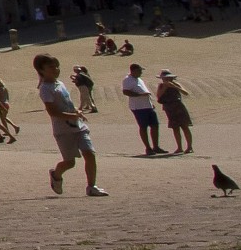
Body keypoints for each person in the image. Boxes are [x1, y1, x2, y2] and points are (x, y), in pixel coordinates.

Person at [33, 52, 106, 196]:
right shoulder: (45, 89)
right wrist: (74, 115)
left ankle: (92, 186)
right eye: (51, 67)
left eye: (57, 66)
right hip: (63, 130)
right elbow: (53, 112)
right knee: (70, 162)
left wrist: (77, 111)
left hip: (78, 126)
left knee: (89, 153)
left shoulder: (60, 84)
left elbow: (68, 103)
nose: (56, 69)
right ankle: (56, 174)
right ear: (42, 70)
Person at [119, 62, 163, 155]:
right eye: (139, 71)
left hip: (147, 105)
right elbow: (126, 92)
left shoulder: (139, 79)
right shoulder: (127, 80)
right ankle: (148, 148)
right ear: (134, 71)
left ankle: (156, 146)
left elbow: (144, 91)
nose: (141, 73)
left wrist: (150, 102)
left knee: (155, 125)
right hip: (138, 107)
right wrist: (139, 95)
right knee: (143, 127)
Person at [155, 68, 193, 155]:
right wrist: (165, 87)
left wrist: (174, 86)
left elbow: (185, 93)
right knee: (175, 128)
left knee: (185, 126)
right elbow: (158, 97)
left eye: (168, 78)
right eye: (164, 78)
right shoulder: (161, 86)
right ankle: (179, 147)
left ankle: (189, 147)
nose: (166, 79)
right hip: (169, 108)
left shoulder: (176, 84)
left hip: (179, 107)